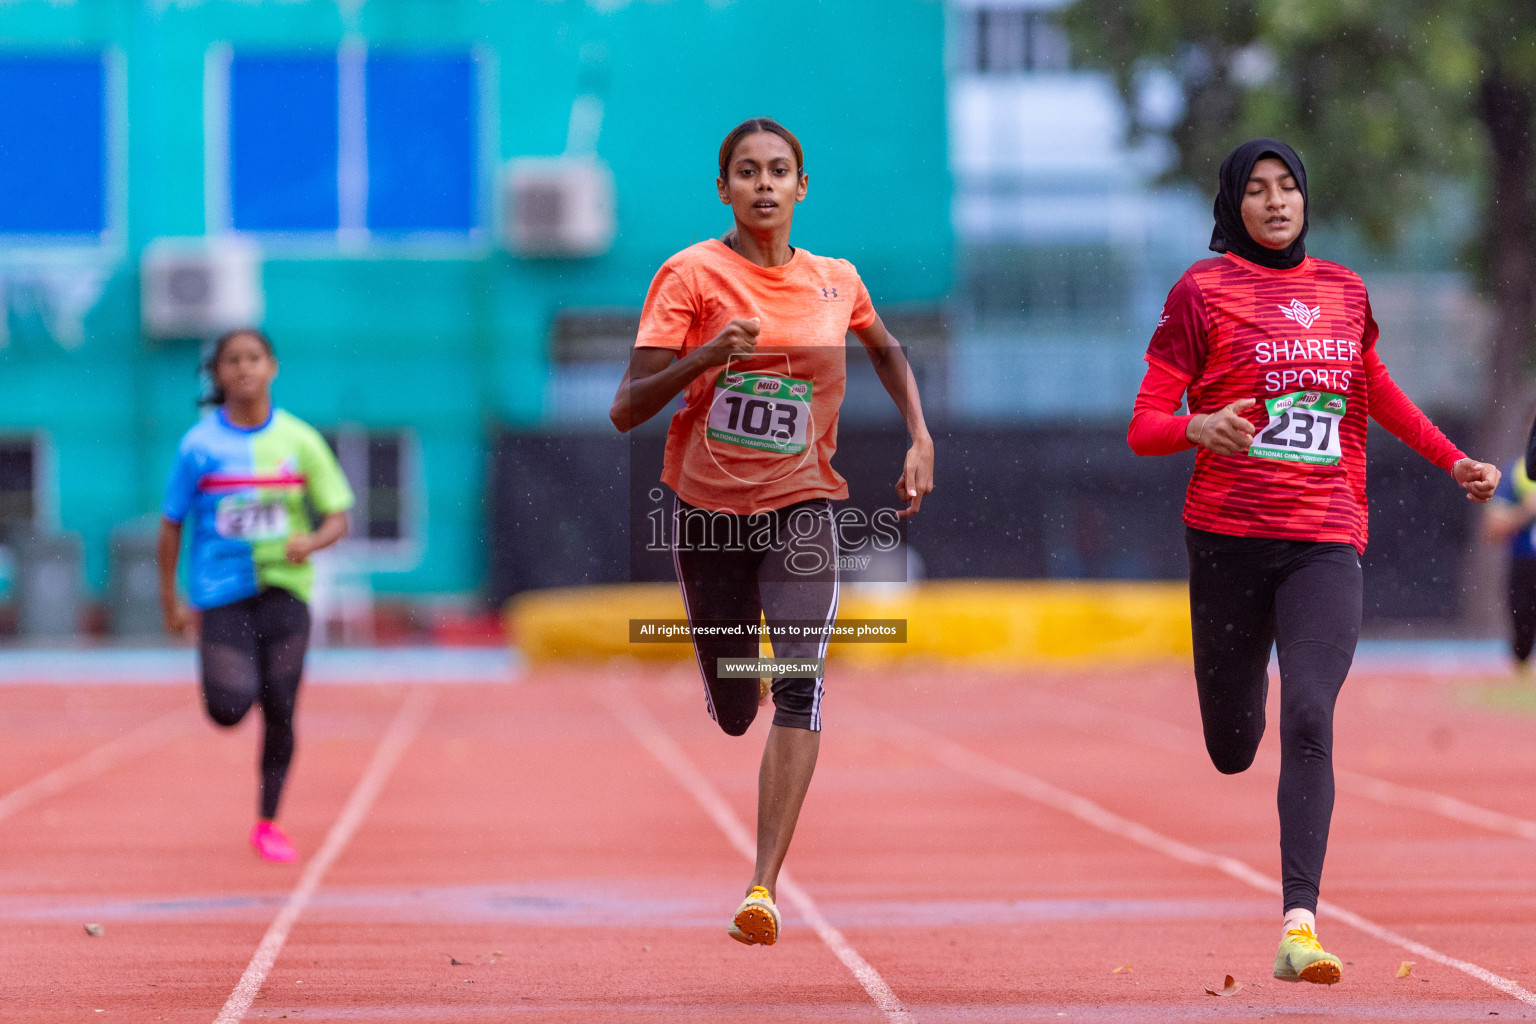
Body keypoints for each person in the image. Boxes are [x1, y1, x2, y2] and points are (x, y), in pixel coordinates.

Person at [1127, 138, 1499, 984]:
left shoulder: (1343, 290)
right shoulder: (1200, 291)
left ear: (1305, 197)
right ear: (1234, 205)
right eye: (1255, 190)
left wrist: (1453, 460)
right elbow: (1144, 421)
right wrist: (1197, 425)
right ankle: (1242, 685)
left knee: (1311, 718)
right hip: (1225, 540)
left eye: (1287, 185)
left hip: (1326, 538)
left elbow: (1376, 390)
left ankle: (1300, 924)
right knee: (1233, 744)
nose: (1275, 201)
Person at [610, 117, 934, 945]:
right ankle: (739, 674)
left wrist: (919, 433)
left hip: (803, 506)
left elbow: (887, 350)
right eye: (746, 172)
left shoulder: (837, 280)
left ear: (800, 187)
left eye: (778, 170)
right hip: (708, 516)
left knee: (799, 680)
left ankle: (762, 888)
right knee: (733, 705)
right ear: (724, 189)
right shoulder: (690, 274)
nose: (763, 184)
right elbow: (626, 407)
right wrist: (705, 357)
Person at [157, 328, 354, 862]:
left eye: (254, 358)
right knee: (228, 706)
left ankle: (268, 822)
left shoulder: (299, 440)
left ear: (273, 367)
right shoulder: (199, 446)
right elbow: (170, 525)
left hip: (284, 590)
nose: (244, 368)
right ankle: (225, 687)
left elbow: (338, 516)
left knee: (282, 704)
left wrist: (310, 540)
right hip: (220, 593)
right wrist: (170, 601)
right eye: (232, 361)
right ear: (217, 375)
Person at [1483, 444, 1536, 675]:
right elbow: (1492, 529)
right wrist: (1527, 511)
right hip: (1525, 563)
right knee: (1522, 634)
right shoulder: (1516, 473)